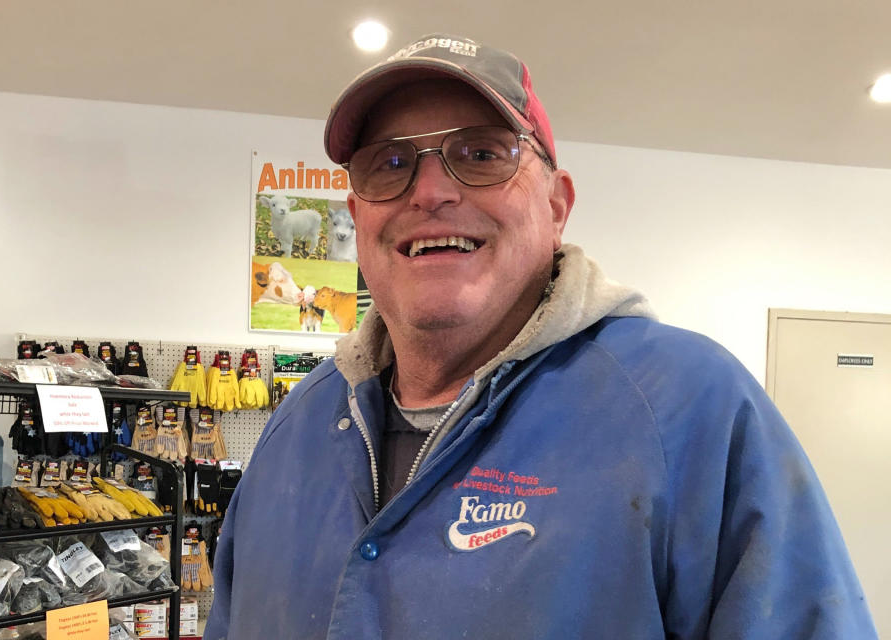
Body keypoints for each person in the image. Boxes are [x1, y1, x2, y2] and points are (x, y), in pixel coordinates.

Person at [205, 34, 876, 639]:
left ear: (557, 206)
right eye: (389, 163)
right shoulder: (294, 431)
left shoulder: (693, 412)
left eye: (480, 153)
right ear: (357, 217)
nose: (430, 190)